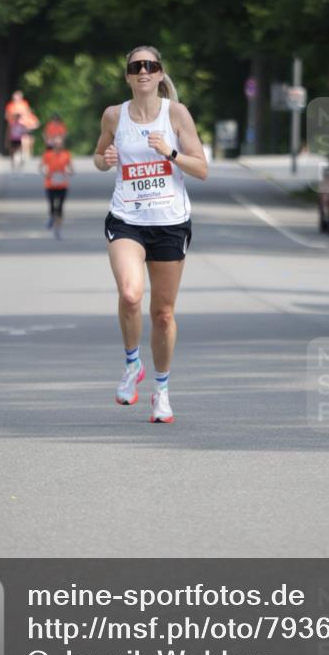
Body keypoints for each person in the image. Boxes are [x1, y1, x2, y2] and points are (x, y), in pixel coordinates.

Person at [93, 45, 208, 423]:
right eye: (135, 66)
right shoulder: (114, 115)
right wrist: (104, 160)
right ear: (127, 76)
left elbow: (202, 169)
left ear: (160, 74)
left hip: (171, 222)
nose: (143, 71)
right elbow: (98, 157)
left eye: (150, 66)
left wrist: (171, 153)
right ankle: (131, 364)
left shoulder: (176, 114)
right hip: (126, 217)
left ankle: (161, 390)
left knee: (162, 314)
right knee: (130, 293)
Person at [41, 134, 74, 238]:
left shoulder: (66, 154)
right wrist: (45, 172)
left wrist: (69, 172)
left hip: (62, 185)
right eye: (56, 144)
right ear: (53, 145)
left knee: (59, 208)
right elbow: (41, 167)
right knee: (51, 206)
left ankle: (57, 229)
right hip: (50, 184)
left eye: (60, 144)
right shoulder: (47, 154)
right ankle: (51, 217)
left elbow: (71, 169)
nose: (58, 146)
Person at [5, 90, 39, 160]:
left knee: (26, 139)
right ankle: (14, 154)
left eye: (18, 97)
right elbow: (7, 116)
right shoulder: (10, 105)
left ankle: (26, 153)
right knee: (13, 141)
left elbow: (28, 114)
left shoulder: (24, 104)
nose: (16, 99)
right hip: (14, 126)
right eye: (15, 98)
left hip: (24, 126)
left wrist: (30, 124)